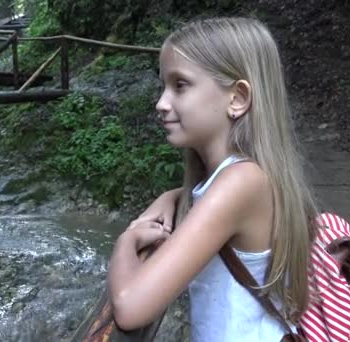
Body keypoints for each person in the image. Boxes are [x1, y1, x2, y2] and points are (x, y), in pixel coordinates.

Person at [107, 17, 318, 341]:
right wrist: (174, 195)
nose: (161, 103)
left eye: (180, 85)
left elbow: (130, 307)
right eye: (163, 85)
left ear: (237, 98)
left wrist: (126, 241)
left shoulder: (239, 185)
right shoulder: (247, 175)